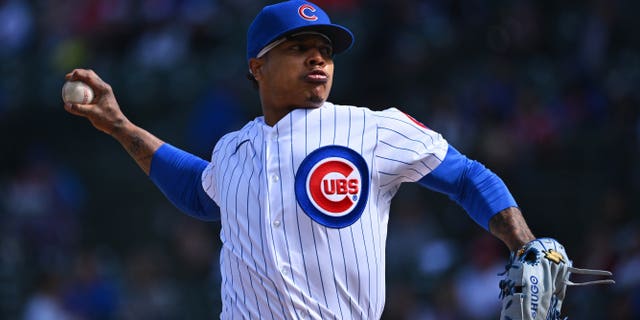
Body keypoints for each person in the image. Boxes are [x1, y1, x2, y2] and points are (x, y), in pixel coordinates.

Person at [63, 1, 538, 318]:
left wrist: (525, 244)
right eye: (299, 47)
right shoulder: (232, 149)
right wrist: (120, 126)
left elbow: (466, 176)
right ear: (257, 66)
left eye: (325, 50)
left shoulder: (370, 128)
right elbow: (198, 191)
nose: (318, 60)